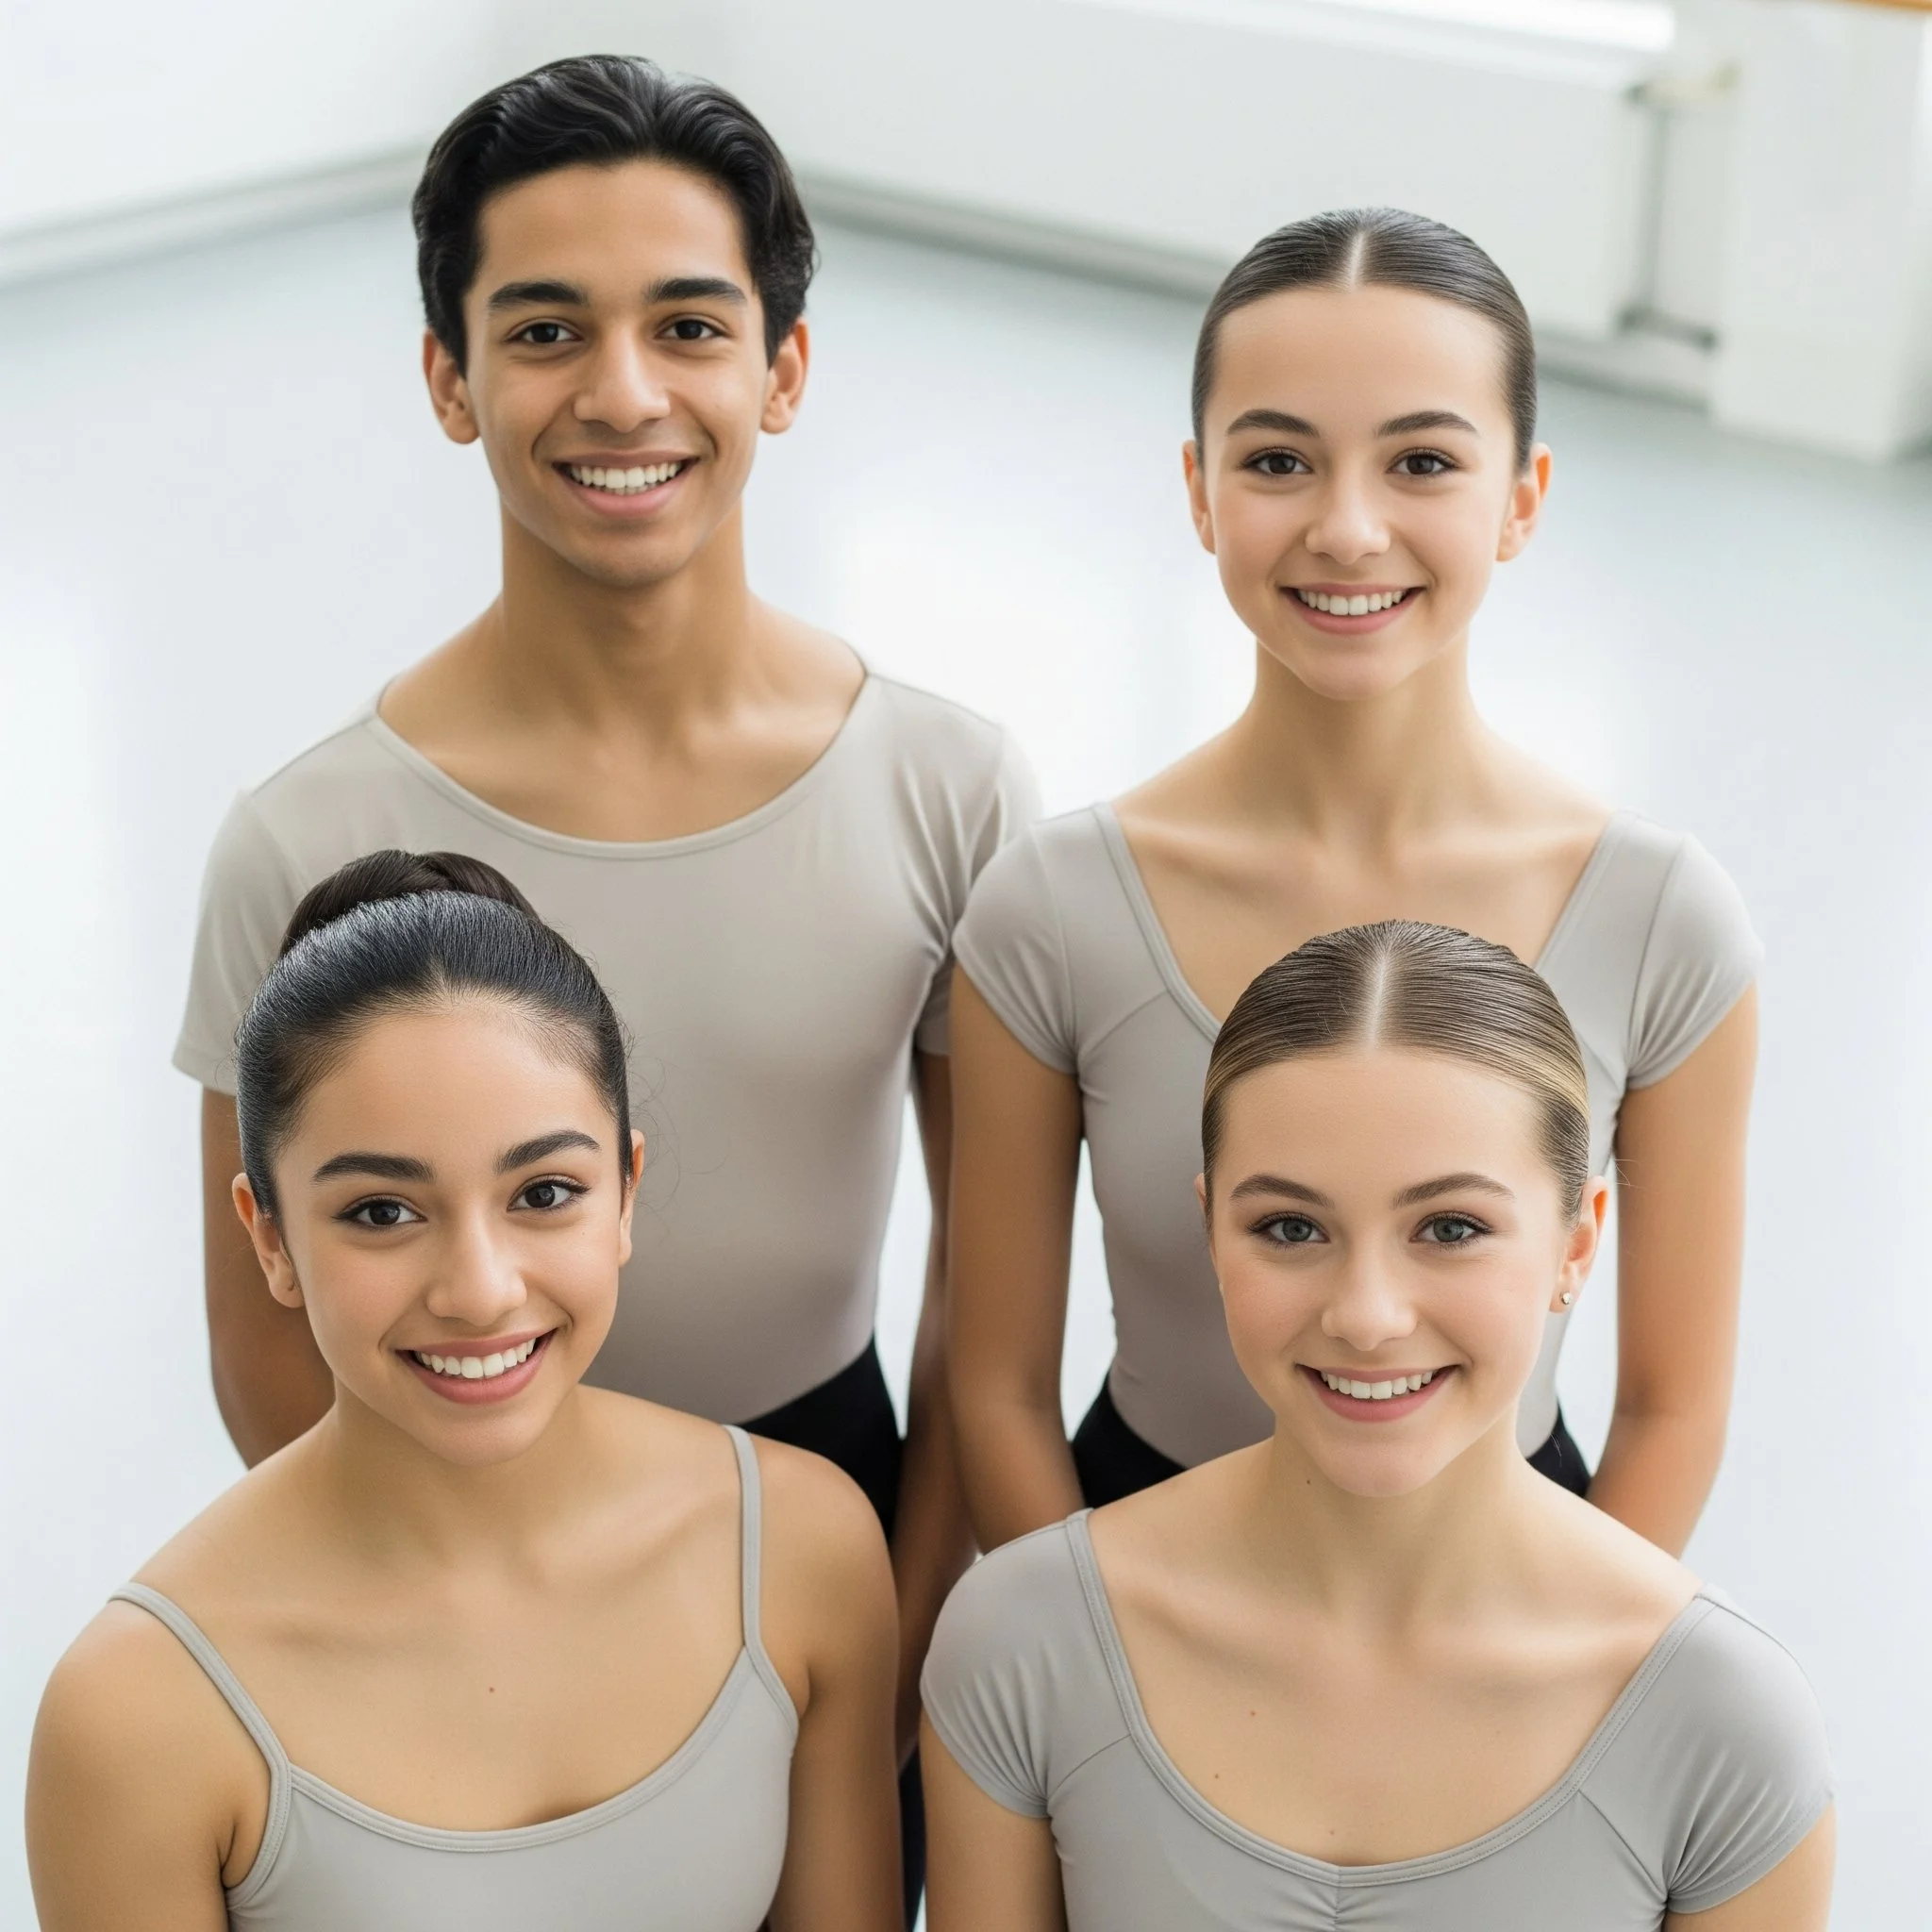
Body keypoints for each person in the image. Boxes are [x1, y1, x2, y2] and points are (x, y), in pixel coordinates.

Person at [174, 58, 1034, 1900]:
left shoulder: (946, 790)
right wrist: (470, 1625)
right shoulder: (299, 832)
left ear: (782, 372)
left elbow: (989, 1306)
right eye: (545, 329)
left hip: (840, 1500)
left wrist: (876, 1644)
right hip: (449, 1512)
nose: (622, 393)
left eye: (690, 325)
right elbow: (266, 1339)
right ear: (448, 376)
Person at [948, 208, 1757, 1557]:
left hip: (1512, 1584)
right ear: (1201, 489)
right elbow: (996, 1390)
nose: (1348, 528)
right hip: (1136, 1562)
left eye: (1423, 461)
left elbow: (1673, 1406)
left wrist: (1561, 1686)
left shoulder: (1663, 923)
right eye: (1279, 461)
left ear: (1522, 499)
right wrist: (1087, 1671)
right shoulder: (1052, 910)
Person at [30, 854, 901, 1930]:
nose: (480, 1291)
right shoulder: (138, 1709)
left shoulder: (801, 1548)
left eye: (544, 1191)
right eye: (383, 1211)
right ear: (269, 1237)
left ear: (623, 1191)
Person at [923, 922, 1832, 1930]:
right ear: (1209, 1229)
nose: (1364, 1313)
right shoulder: (1020, 1640)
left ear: (1576, 1243)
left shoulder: (1723, 1719)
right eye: (1288, 1226)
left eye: (1449, 1228)